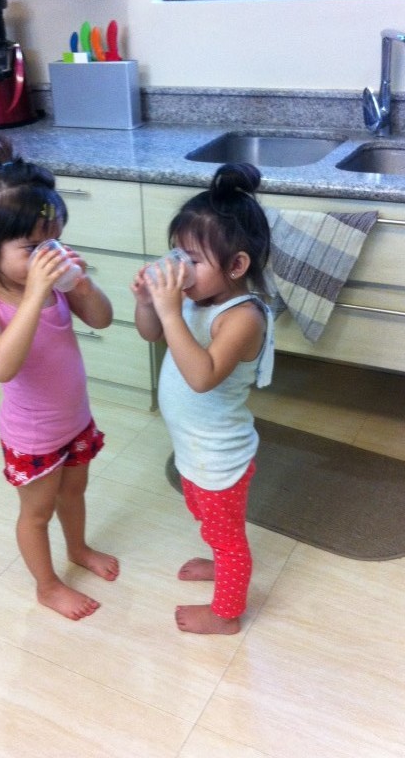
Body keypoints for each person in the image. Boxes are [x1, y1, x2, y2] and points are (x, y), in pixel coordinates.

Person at [0, 137, 119, 621]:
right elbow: (1, 366)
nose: (45, 257)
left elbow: (102, 319)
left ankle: (78, 549)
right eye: (31, 248)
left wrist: (82, 284)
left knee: (75, 493)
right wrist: (34, 295)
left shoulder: (53, 285)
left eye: (52, 242)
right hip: (32, 437)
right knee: (36, 514)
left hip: (75, 421)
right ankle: (47, 586)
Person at [132, 163, 274, 635]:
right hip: (194, 450)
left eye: (192, 260)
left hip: (219, 457)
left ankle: (226, 615)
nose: (179, 269)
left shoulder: (243, 317)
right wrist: (149, 304)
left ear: (236, 266)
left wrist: (172, 312)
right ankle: (219, 560)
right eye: (177, 254)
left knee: (229, 538)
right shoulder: (196, 299)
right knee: (207, 520)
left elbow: (202, 377)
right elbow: (151, 334)